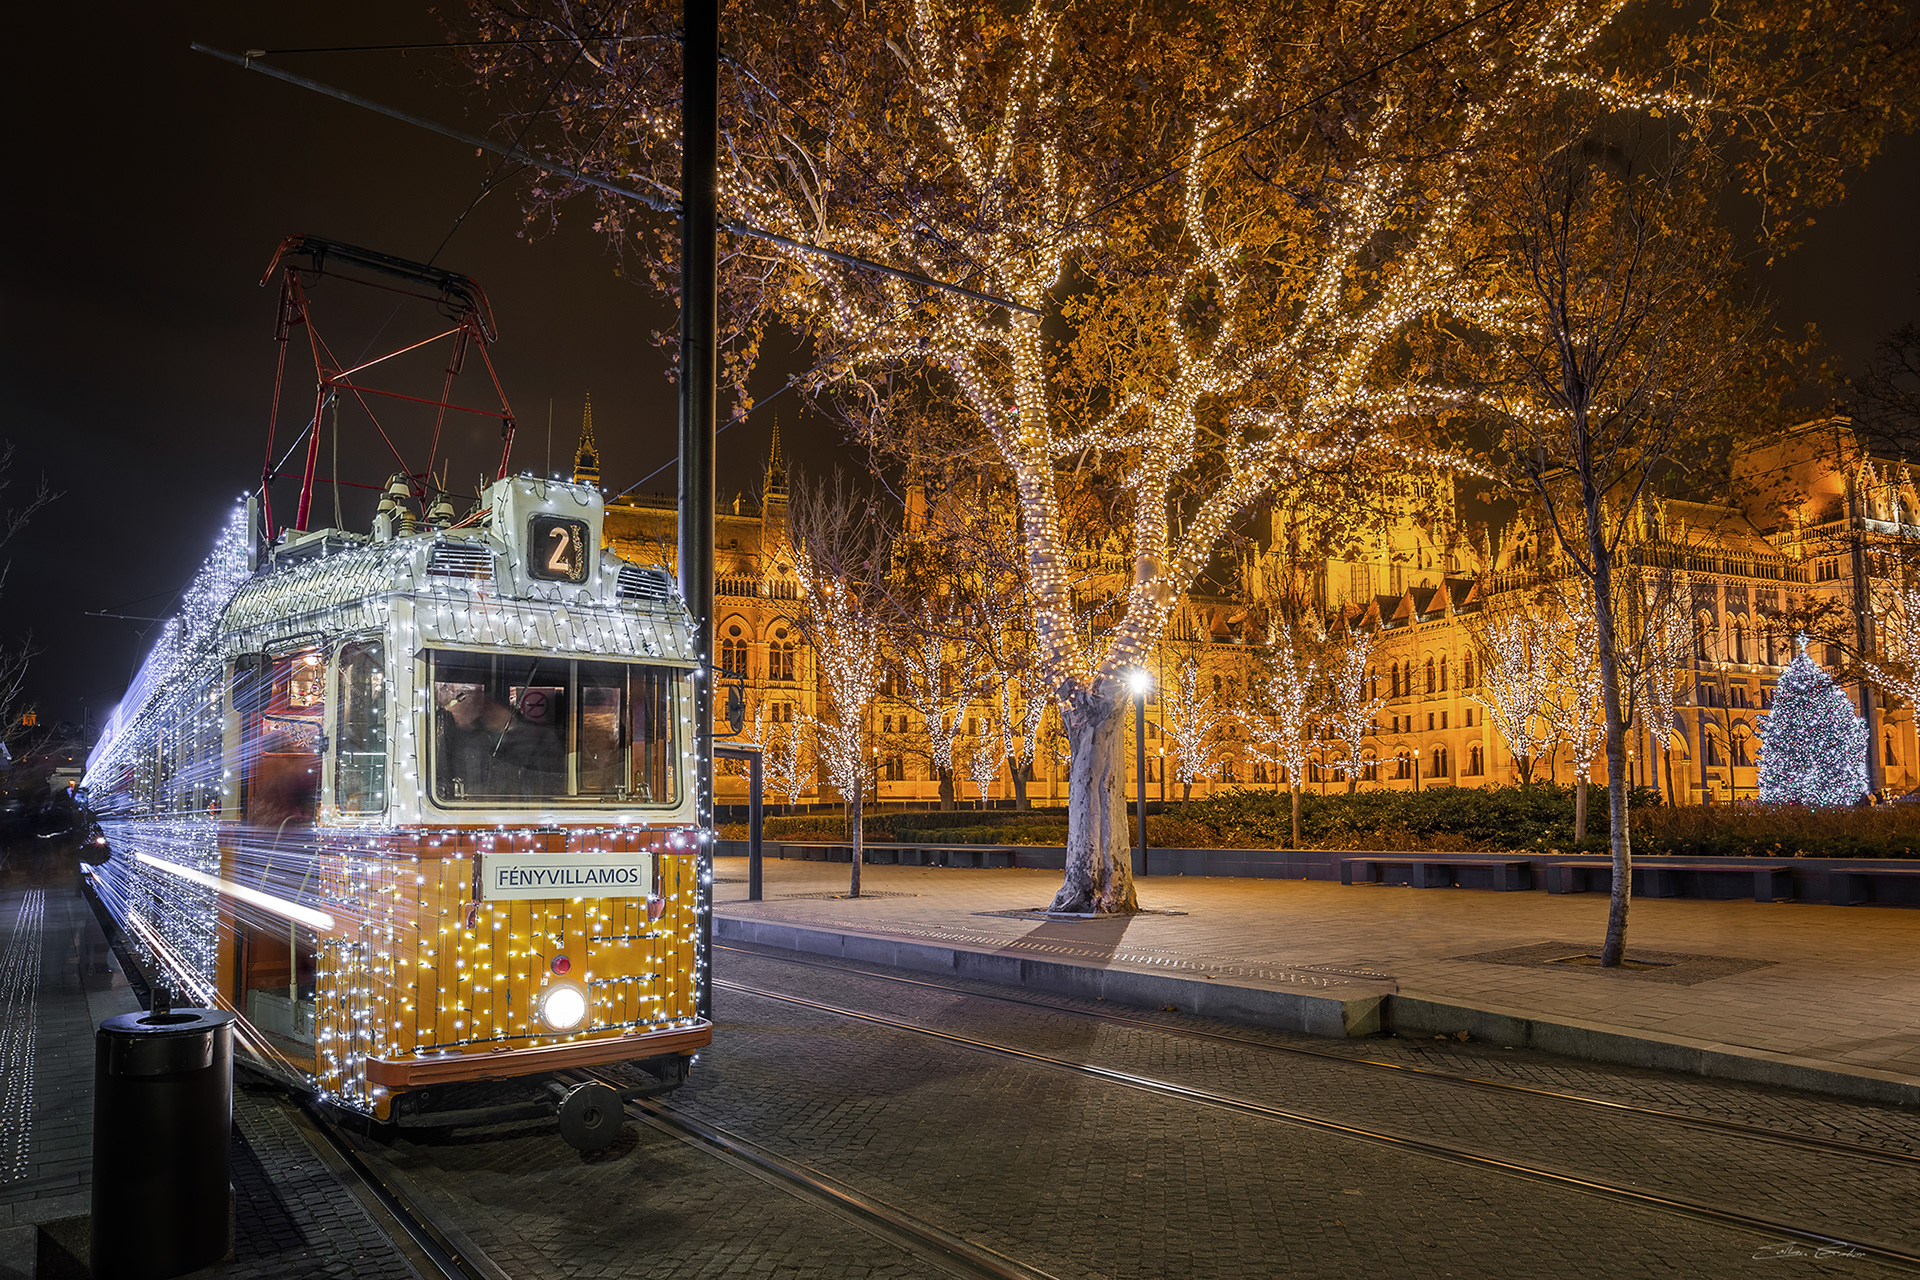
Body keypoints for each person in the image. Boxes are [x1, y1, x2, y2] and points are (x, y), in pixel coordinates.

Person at [436, 683, 564, 800]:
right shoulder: (461, 740)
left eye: (487, 704)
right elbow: (445, 781)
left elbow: (552, 786)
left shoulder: (541, 738)